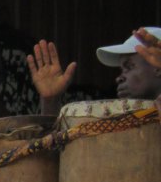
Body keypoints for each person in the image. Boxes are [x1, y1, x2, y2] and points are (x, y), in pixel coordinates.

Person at [28, 27, 161, 116]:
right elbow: (54, 152)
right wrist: (50, 100)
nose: (119, 78)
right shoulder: (113, 122)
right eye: (121, 69)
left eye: (129, 67)